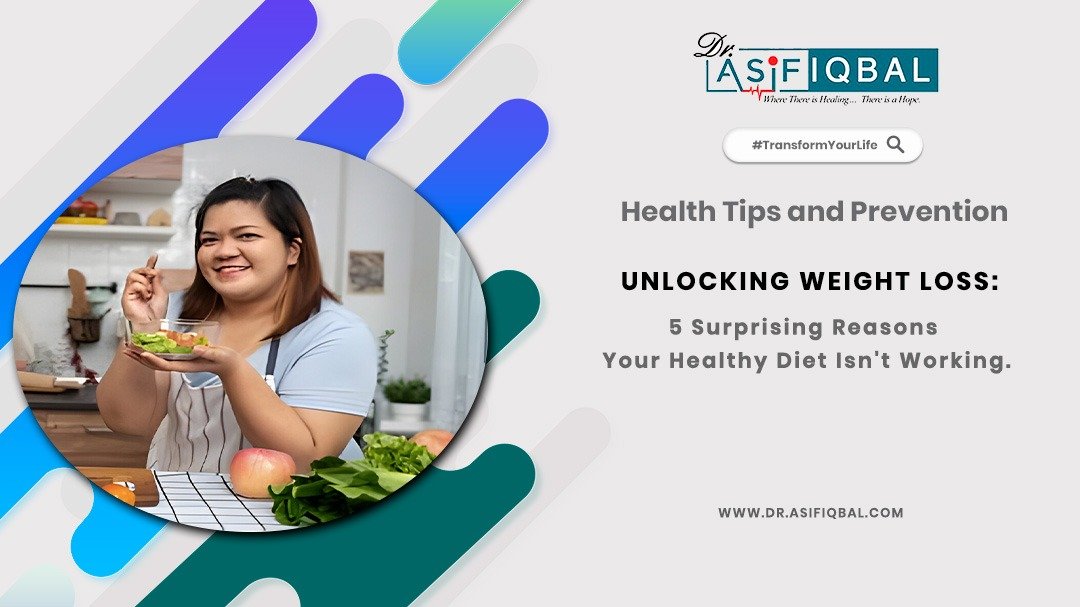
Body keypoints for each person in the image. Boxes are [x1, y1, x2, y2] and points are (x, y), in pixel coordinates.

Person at [97, 177, 375, 473]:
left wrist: (233, 370)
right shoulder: (175, 312)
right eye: (209, 240)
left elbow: (307, 461)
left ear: (293, 250)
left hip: (286, 512)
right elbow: (129, 421)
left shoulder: (336, 334)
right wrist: (143, 328)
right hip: (181, 502)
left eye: (246, 236)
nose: (223, 251)